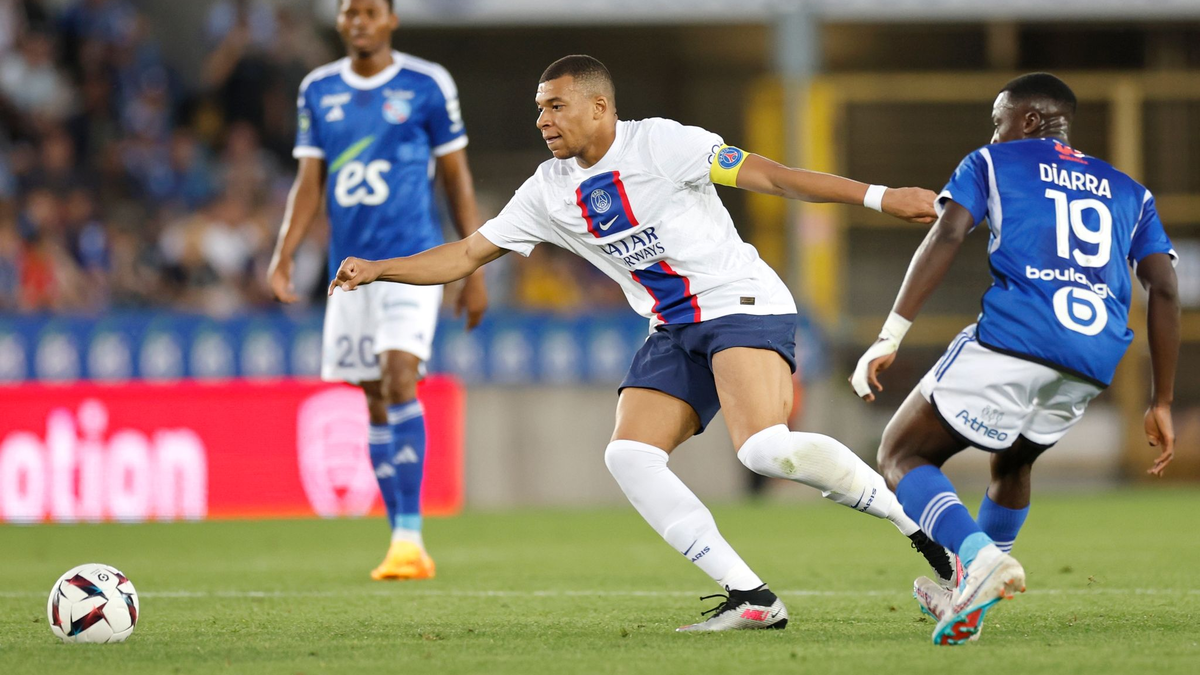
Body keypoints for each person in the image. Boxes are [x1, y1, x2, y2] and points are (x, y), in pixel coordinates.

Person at [329, 54, 953, 631]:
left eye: (556, 105)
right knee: (628, 456)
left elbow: (776, 179)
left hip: (740, 303)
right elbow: (467, 253)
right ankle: (752, 599)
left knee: (763, 450)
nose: (543, 119)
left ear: (600, 107)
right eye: (539, 108)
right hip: (673, 328)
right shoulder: (547, 190)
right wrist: (379, 267)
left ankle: (916, 525)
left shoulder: (662, 143)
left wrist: (879, 196)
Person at [850, 73, 1179, 646]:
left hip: (1017, 338)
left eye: (998, 120)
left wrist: (889, 334)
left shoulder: (991, 162)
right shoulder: (1131, 190)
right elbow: (1165, 289)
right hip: (1092, 358)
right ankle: (970, 596)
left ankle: (978, 559)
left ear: (1027, 120)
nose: (994, 132)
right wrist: (1162, 400)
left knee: (901, 453)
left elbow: (948, 234)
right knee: (1014, 464)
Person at [267, 0, 488, 581]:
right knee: (372, 397)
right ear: (339, 22)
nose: (359, 21)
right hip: (349, 272)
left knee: (397, 376)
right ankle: (400, 541)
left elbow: (456, 177)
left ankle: (411, 537)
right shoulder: (317, 89)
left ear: (391, 19)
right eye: (349, 12)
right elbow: (309, 181)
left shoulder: (427, 84)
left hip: (413, 262)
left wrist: (474, 268)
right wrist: (285, 252)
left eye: (370, 11)